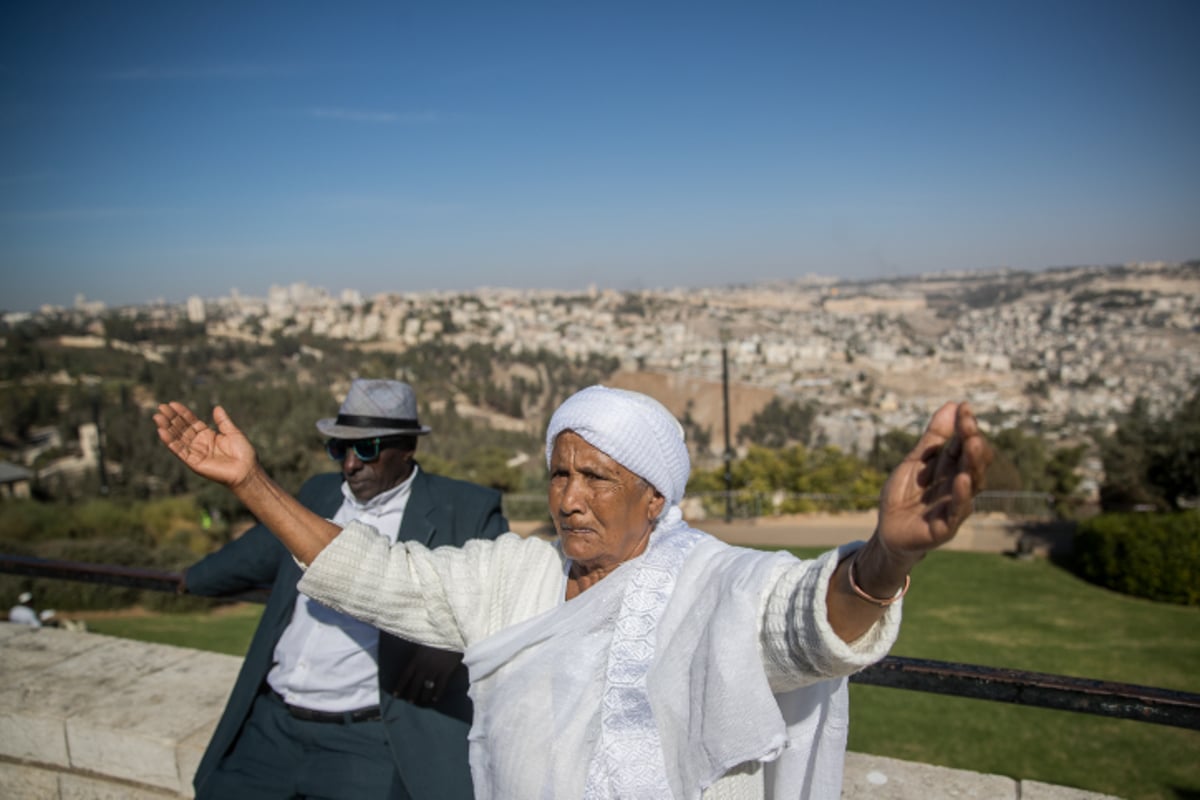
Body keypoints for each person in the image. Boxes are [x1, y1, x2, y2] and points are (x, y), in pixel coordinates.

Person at [156, 384, 992, 799]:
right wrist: (254, 483)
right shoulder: (516, 572)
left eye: (597, 476)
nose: (570, 497)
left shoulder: (713, 583)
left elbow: (806, 623)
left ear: (655, 497)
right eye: (560, 473)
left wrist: (885, 555)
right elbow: (381, 576)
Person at [179, 379, 508, 799]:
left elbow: (500, 591)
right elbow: (260, 550)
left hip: (366, 742)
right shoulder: (318, 493)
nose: (350, 464)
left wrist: (450, 646)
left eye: (366, 448)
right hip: (270, 728)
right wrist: (189, 579)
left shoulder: (464, 508)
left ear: (407, 448)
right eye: (339, 448)